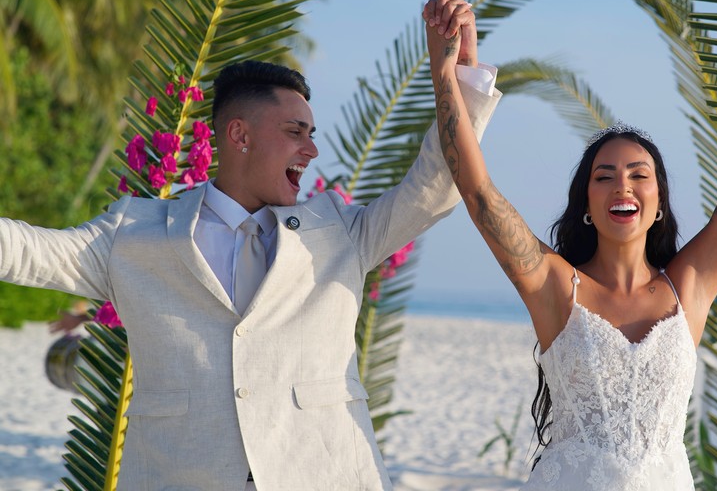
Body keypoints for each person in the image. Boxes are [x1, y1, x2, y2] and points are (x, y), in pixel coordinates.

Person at [423, 0, 717, 490]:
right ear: (586, 206)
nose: (623, 186)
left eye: (639, 175)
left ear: (658, 204)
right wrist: (446, 75)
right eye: (604, 176)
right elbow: (478, 193)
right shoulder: (554, 285)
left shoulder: (690, 286)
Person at [0, 53, 500, 490]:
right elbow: (28, 250)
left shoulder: (339, 232)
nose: (311, 150)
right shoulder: (134, 233)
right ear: (238, 134)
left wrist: (459, 76)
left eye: (312, 134)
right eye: (294, 132)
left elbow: (433, 189)